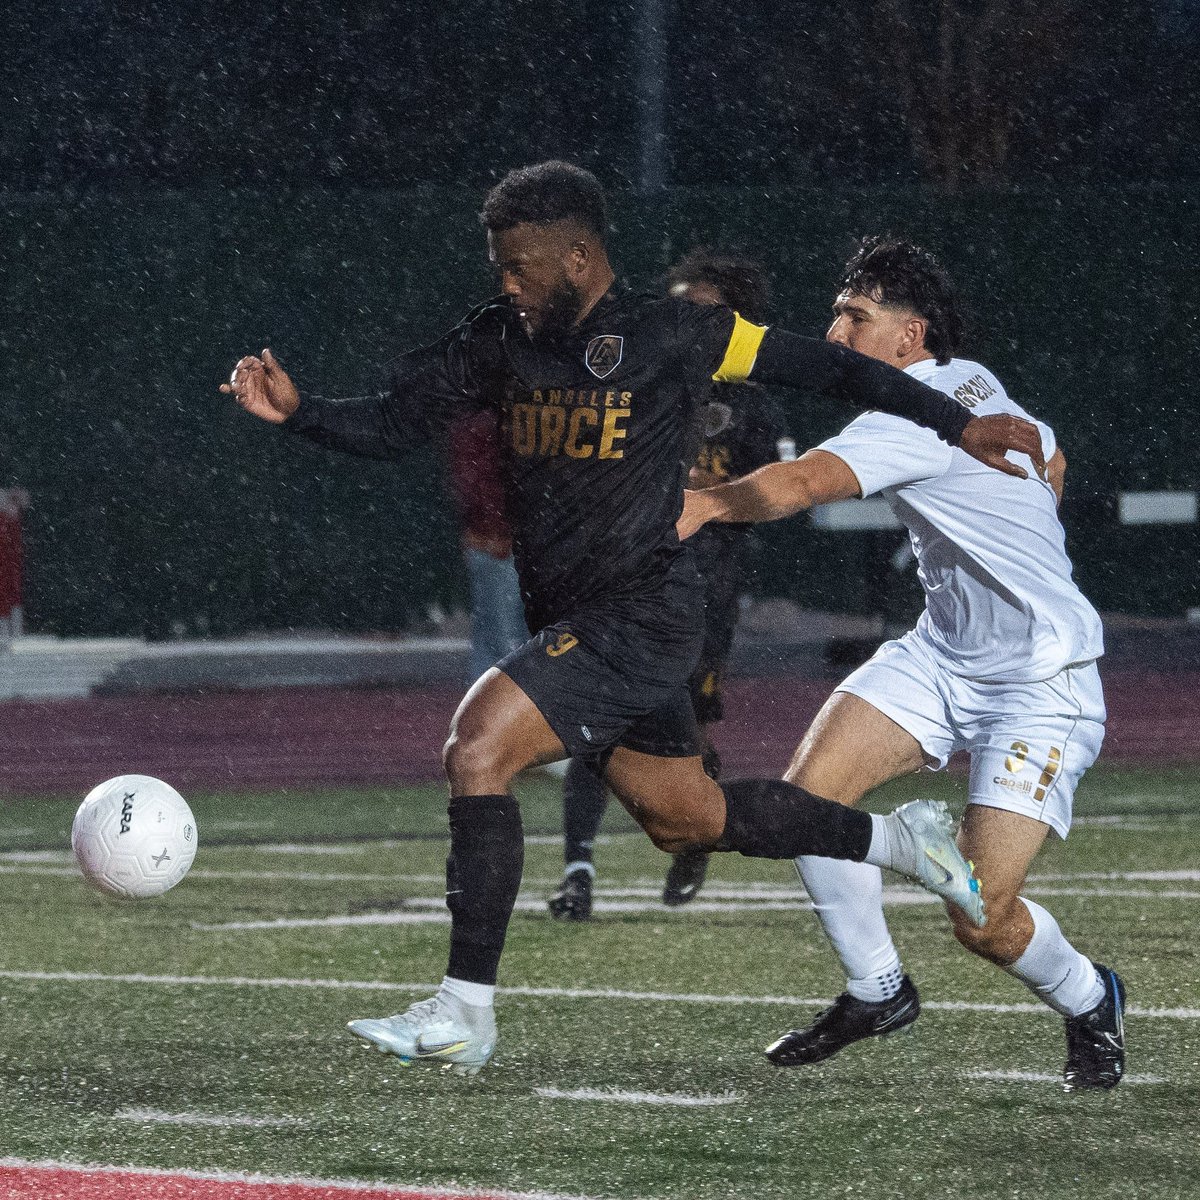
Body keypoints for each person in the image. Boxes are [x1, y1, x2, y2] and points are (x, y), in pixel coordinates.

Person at [221, 163, 1043, 1077]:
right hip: (575, 614)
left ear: (578, 257)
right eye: (499, 264)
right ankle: (904, 842)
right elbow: (392, 421)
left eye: (521, 265)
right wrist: (298, 414)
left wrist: (950, 423)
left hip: (646, 613)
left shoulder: (675, 333)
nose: (507, 282)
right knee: (687, 819)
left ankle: (463, 1011)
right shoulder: (500, 339)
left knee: (477, 746)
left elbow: (824, 366)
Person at [679, 235, 1121, 1092]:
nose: (834, 334)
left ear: (908, 337)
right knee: (804, 807)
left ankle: (1092, 995)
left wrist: (701, 505)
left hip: (1040, 683)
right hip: (941, 655)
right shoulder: (974, 380)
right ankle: (876, 988)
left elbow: (800, 484)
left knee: (982, 918)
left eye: (856, 317)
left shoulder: (909, 415)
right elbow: (1052, 454)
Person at [548, 248, 792, 920]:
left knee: (688, 734)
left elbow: (774, 494)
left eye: (703, 309)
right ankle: (577, 871)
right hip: (622, 582)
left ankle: (698, 836)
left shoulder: (748, 404)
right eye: (677, 305)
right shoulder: (633, 381)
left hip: (703, 592)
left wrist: (707, 495)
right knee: (595, 721)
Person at [448, 410, 528, 683]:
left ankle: (485, 710)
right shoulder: (491, 422)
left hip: (494, 537)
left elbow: (470, 482)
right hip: (502, 540)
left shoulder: (475, 419)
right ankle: (511, 713)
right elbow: (478, 482)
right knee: (508, 639)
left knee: (493, 635)